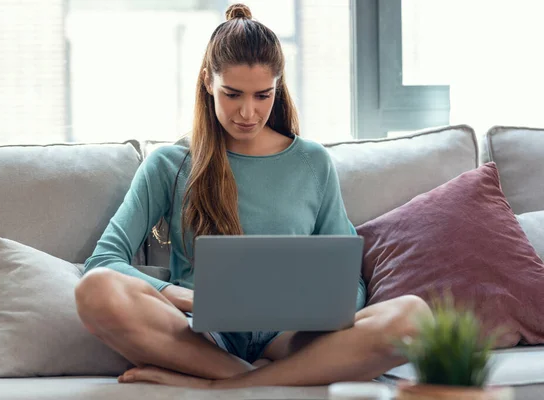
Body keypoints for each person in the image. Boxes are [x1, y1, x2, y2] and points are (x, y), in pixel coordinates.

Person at [74, 3, 430, 389]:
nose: (248, 112)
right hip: (205, 336)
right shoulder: (170, 164)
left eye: (263, 95)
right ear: (208, 81)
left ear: (278, 87)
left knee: (414, 316)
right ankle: (260, 380)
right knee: (95, 292)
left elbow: (350, 281)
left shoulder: (312, 162)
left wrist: (320, 310)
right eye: (232, 94)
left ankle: (223, 384)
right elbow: (103, 262)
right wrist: (197, 301)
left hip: (289, 335)